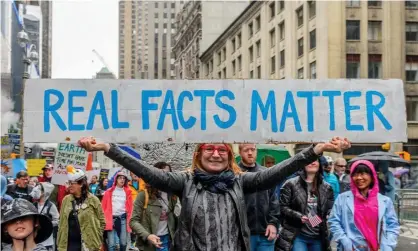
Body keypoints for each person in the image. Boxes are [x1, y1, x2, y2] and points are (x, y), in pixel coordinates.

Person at [78, 136, 350, 251]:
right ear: (199, 154)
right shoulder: (184, 181)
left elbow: (277, 172)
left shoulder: (239, 182)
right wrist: (108, 148)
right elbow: (148, 172)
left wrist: (315, 150)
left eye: (222, 150)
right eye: (209, 148)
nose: (216, 154)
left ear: (229, 156)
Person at [328, 160, 400, 251]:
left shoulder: (385, 201)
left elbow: (393, 226)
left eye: (363, 174)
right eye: (355, 174)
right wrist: (346, 243)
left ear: (372, 176)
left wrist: (387, 245)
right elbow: (334, 221)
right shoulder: (342, 199)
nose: (359, 177)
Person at [276, 159, 334, 251]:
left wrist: (329, 215)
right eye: (310, 160)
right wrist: (299, 216)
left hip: (318, 236)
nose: (313, 162)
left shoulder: (327, 187)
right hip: (297, 235)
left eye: (316, 161)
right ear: (303, 164)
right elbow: (282, 207)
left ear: (319, 165)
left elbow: (330, 210)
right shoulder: (290, 184)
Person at [238, 144, 280, 251]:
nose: (250, 153)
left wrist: (273, 223)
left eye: (253, 149)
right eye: (246, 150)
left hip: (265, 233)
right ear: (240, 152)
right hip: (243, 235)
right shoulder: (234, 173)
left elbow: (274, 201)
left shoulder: (266, 173)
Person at [130, 162, 178, 251]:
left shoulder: (172, 195)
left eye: (168, 174)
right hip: (149, 243)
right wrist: (148, 236)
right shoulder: (143, 195)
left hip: (168, 240)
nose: (165, 177)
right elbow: (133, 221)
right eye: (161, 173)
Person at [57, 165, 105, 251]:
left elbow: (102, 221)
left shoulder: (93, 200)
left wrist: (96, 237)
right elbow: (61, 222)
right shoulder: (66, 200)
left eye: (72, 183)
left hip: (88, 245)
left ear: (81, 184)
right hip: (68, 244)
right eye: (69, 182)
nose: (69, 186)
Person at [102, 171, 133, 251]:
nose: (122, 180)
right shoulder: (109, 192)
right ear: (116, 179)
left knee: (123, 243)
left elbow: (131, 207)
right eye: (120, 178)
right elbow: (103, 206)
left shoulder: (128, 192)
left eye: (123, 178)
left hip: (123, 218)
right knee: (111, 244)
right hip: (110, 219)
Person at [31, 182, 60, 251]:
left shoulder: (51, 206)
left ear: (44, 192)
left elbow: (57, 220)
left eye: (39, 189)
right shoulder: (33, 205)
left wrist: (47, 224)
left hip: (47, 240)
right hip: (35, 238)